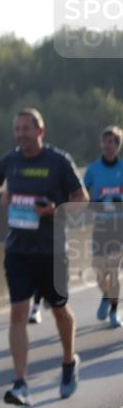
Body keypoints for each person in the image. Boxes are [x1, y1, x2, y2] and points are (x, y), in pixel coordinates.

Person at [0, 108, 89, 405]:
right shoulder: (11, 160)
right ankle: (21, 383)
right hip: (18, 250)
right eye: (17, 129)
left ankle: (69, 361)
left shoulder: (58, 161)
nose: (20, 134)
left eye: (26, 129)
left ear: (40, 131)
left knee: (59, 309)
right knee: (18, 312)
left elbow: (81, 200)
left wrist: (54, 209)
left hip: (51, 251)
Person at [83, 125, 123, 329]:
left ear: (118, 146)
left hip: (119, 226)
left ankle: (115, 312)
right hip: (100, 226)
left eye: (112, 142)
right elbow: (80, 193)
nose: (108, 146)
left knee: (113, 269)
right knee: (99, 272)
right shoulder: (92, 170)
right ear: (101, 144)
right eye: (105, 142)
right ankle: (106, 296)